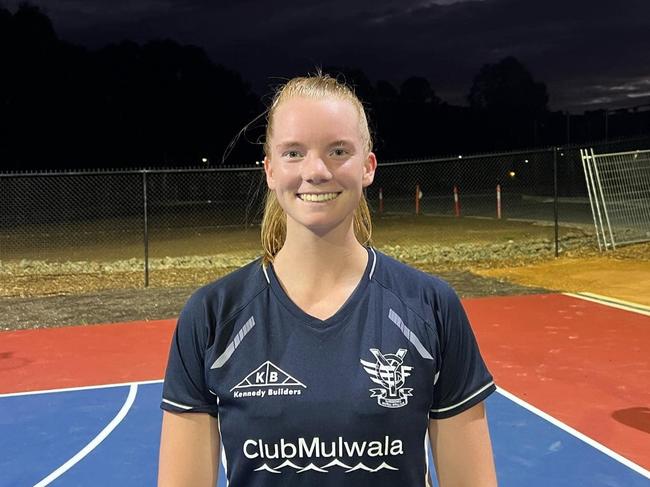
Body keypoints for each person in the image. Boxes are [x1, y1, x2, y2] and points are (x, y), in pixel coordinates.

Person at [158, 73, 498, 487]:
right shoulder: (212, 315)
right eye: (294, 153)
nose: (316, 171)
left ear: (368, 166)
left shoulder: (430, 306)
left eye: (338, 150)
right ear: (269, 169)